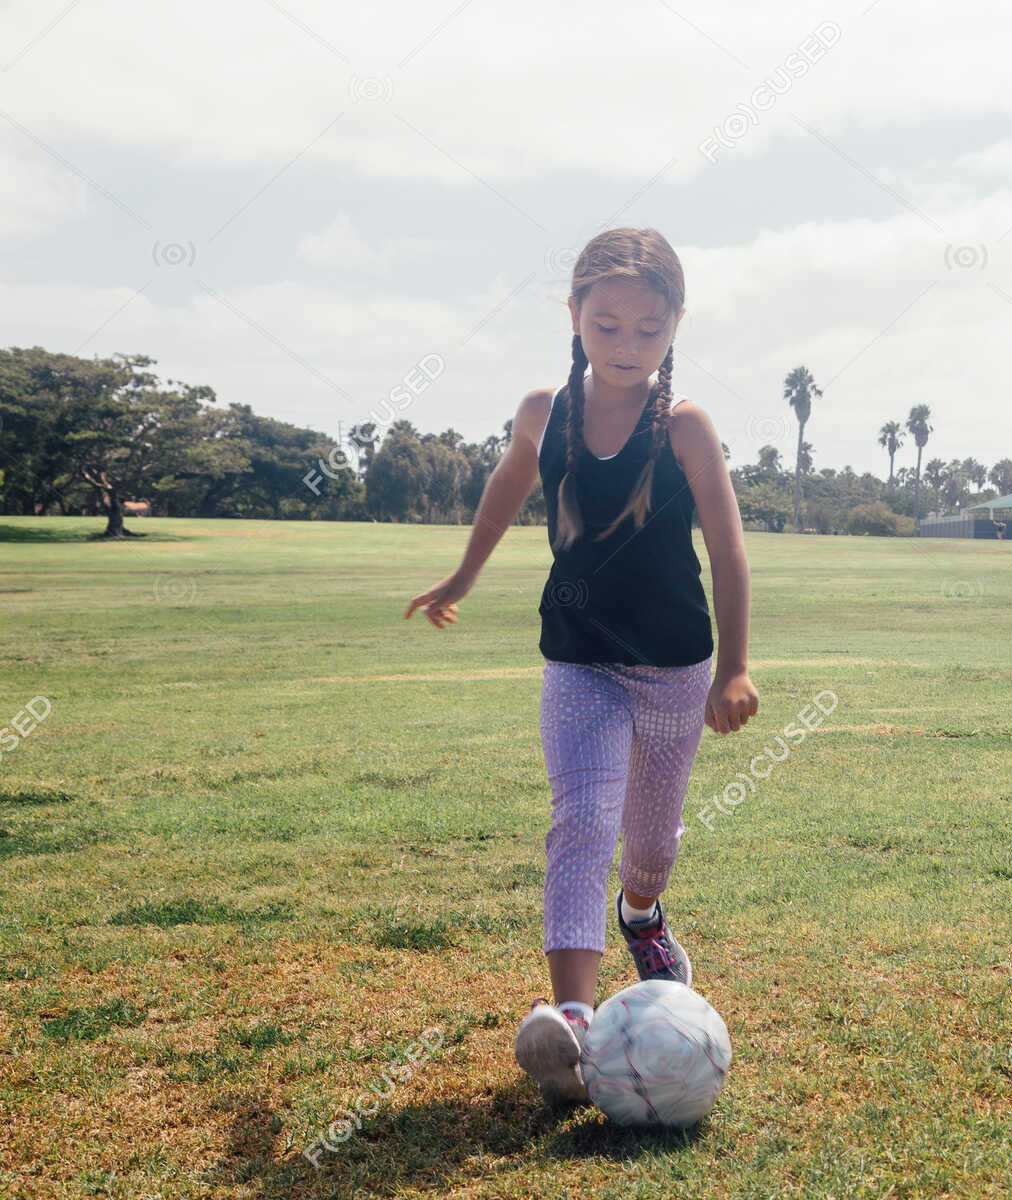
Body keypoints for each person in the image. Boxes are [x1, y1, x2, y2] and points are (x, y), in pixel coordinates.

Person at [404, 228, 759, 1112]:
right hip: (578, 659)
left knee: (649, 838)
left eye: (646, 329)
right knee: (582, 819)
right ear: (573, 317)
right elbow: (504, 491)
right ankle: (569, 1019)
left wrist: (736, 668)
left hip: (675, 664)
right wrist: (462, 575)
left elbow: (727, 544)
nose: (625, 345)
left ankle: (643, 916)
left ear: (675, 327)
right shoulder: (544, 411)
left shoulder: (684, 426)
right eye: (606, 325)